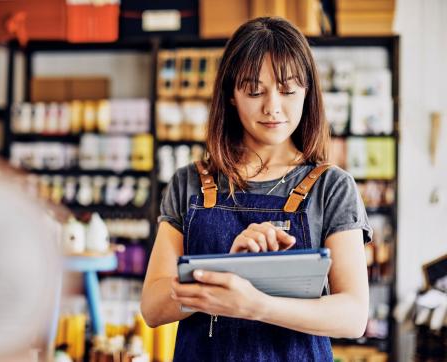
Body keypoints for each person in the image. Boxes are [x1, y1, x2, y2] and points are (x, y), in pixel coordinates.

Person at [141, 17, 372, 362]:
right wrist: (225, 272)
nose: (273, 107)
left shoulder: (332, 186)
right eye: (254, 91)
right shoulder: (189, 182)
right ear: (231, 96)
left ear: (307, 92)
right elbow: (153, 308)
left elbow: (353, 316)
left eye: (288, 90)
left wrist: (256, 305)